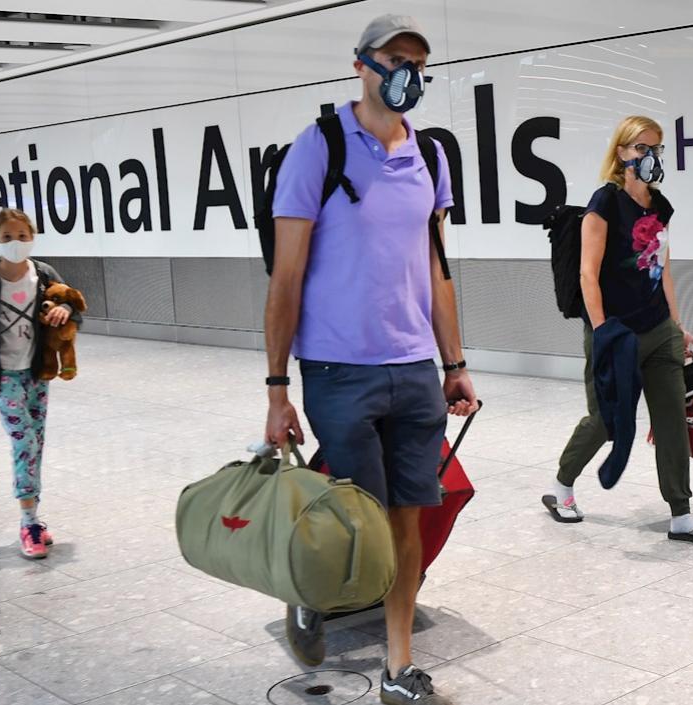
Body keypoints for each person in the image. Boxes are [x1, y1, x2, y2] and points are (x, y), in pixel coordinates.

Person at [263, 14, 478, 705]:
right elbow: (286, 278)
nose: (407, 71)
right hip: (337, 368)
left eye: (419, 60)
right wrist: (276, 388)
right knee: (357, 516)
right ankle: (308, 587)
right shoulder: (317, 148)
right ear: (362, 64)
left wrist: (454, 361)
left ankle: (398, 668)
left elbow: (437, 267)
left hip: (416, 366)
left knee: (409, 515)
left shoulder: (433, 156)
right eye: (395, 58)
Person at [543, 115, 693, 548]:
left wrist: (677, 326)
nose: (650, 157)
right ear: (621, 152)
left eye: (656, 149)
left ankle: (681, 514)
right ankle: (562, 485)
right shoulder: (603, 203)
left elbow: (662, 270)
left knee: (671, 422)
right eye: (641, 149)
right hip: (616, 332)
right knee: (606, 421)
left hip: (658, 330)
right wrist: (603, 330)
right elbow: (589, 275)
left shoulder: (659, 207)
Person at [0, 209, 80, 559]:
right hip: (3, 377)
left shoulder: (44, 275)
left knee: (36, 443)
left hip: (37, 371)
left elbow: (73, 307)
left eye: (23, 236)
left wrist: (67, 313)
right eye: (7, 237)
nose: (16, 243)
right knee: (24, 442)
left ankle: (33, 516)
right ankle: (28, 522)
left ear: (33, 236)